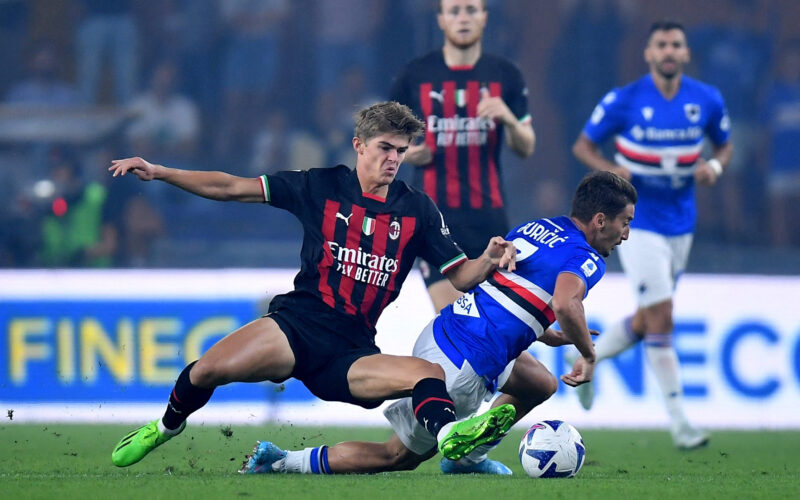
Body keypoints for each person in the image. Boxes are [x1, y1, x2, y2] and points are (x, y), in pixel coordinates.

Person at [109, 101, 519, 468]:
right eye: (385, 148)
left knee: (427, 373)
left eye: (401, 150)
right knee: (205, 371)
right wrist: (161, 172)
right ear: (359, 145)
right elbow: (232, 187)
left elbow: (461, 276)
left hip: (351, 350)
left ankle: (451, 439)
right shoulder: (320, 186)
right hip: (297, 327)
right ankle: (165, 427)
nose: (394, 159)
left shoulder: (418, 210)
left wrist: (487, 259)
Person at [239, 171, 637, 476]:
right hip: (464, 366)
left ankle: (468, 458)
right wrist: (588, 354)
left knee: (539, 383)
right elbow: (566, 302)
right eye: (625, 223)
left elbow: (509, 293)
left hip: (447, 331)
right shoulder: (587, 257)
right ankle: (282, 461)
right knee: (396, 456)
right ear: (600, 220)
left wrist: (545, 335)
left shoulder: (540, 227)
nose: (626, 234)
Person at [569, 20, 733, 450]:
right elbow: (583, 145)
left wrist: (715, 167)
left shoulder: (707, 99)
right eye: (661, 44)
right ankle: (680, 423)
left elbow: (724, 144)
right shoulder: (624, 99)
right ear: (648, 53)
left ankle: (585, 356)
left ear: (686, 53)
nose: (669, 51)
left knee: (647, 320)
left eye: (676, 44)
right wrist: (611, 170)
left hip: (682, 222)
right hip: (637, 223)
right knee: (662, 316)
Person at [389, 0, 535, 315]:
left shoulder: (505, 75)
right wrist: (408, 154)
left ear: (484, 18)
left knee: (493, 324)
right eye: (454, 11)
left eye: (471, 10)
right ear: (441, 20)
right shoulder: (414, 75)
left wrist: (508, 118)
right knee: (459, 319)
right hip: (433, 223)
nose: (463, 18)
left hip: (489, 222)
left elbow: (526, 147)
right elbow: (384, 143)